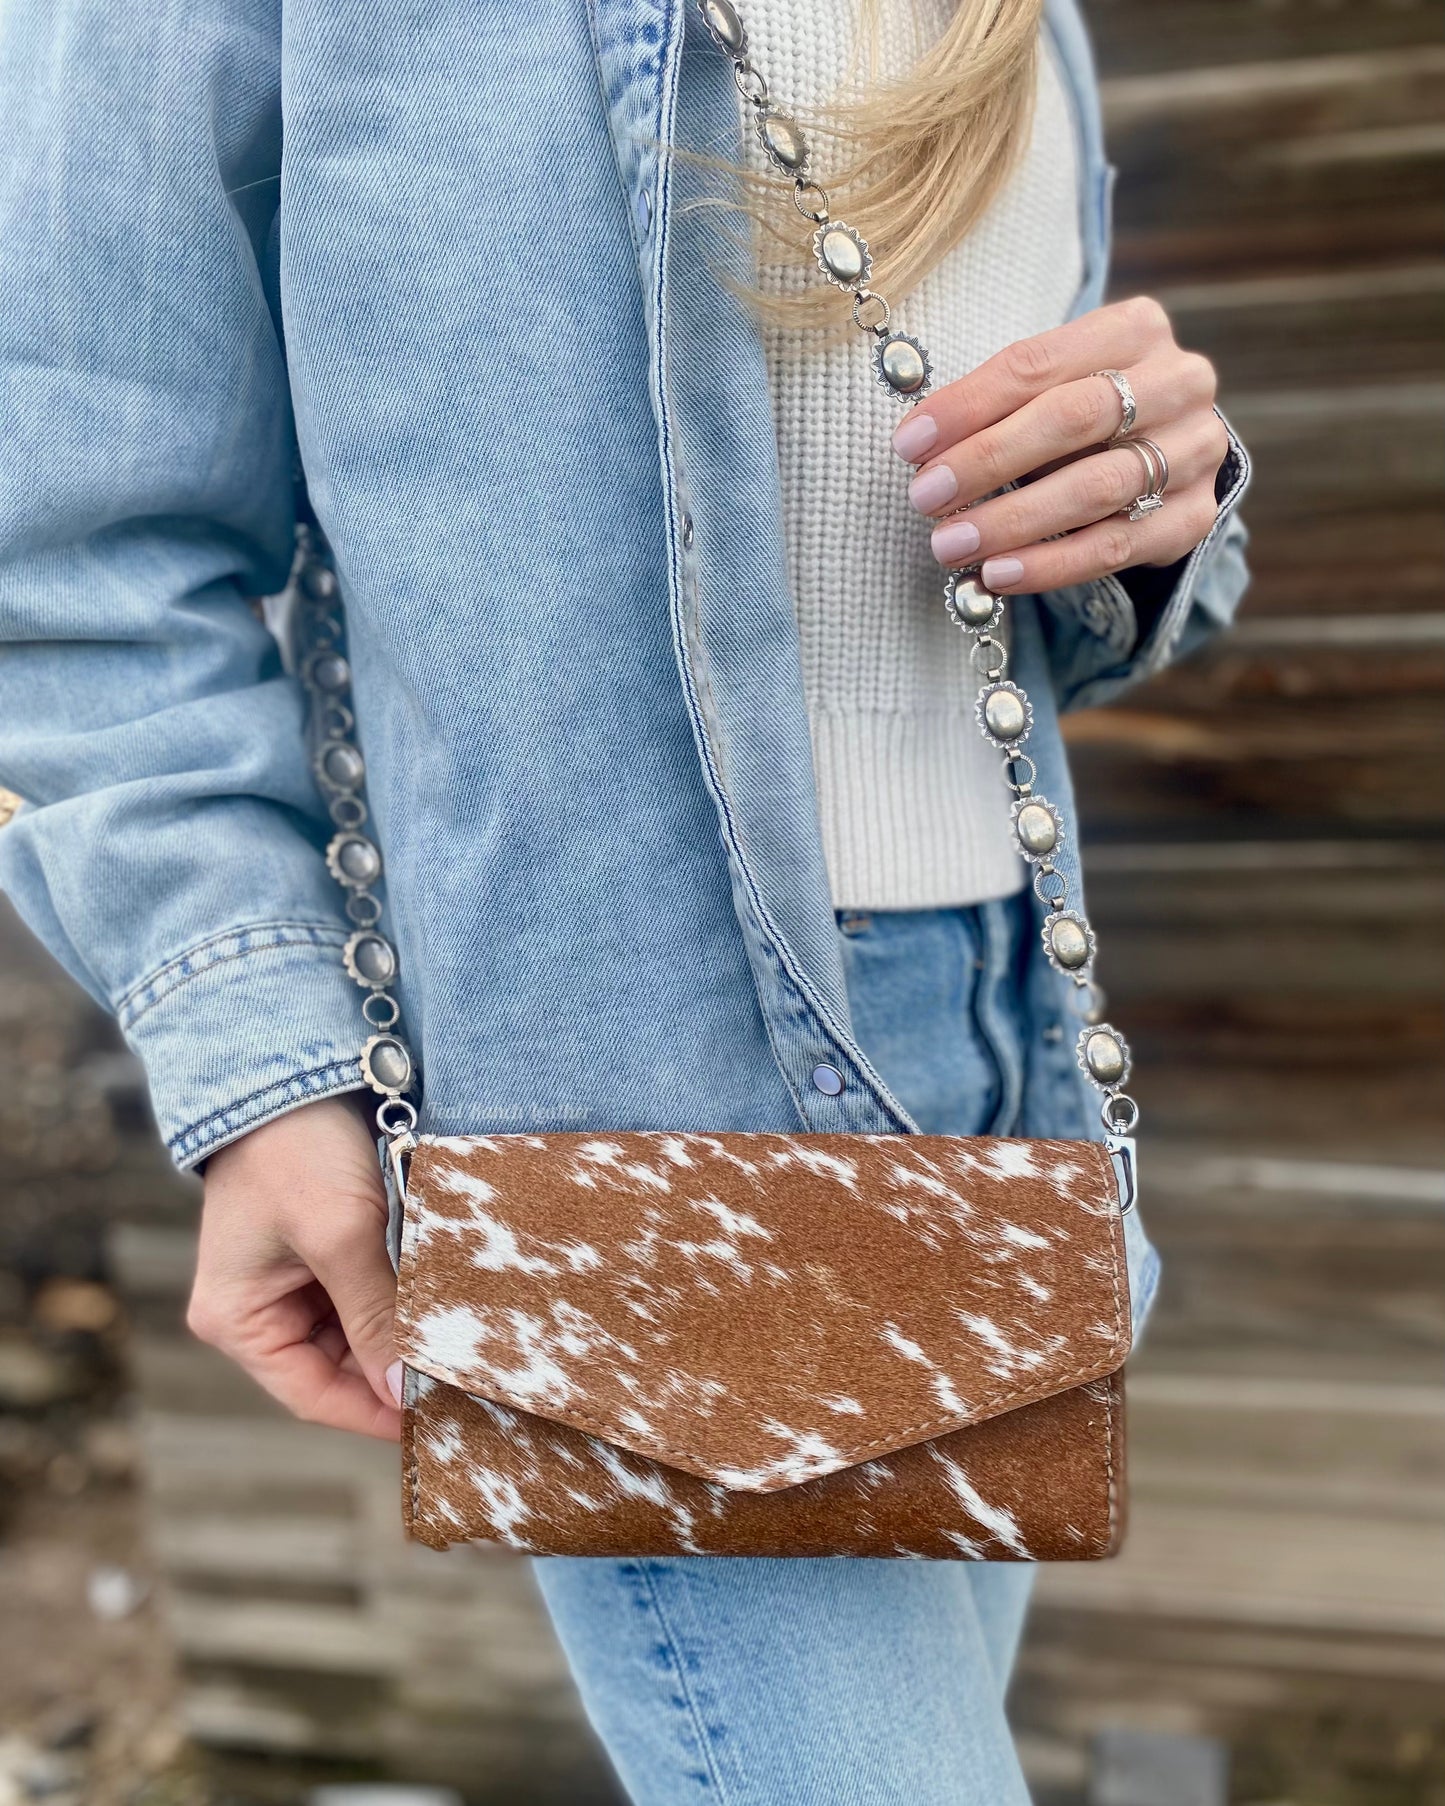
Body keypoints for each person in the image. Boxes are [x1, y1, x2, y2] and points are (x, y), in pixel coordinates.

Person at [0, 0, 1248, 1797]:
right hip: (628, 1095)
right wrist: (257, 1051)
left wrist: (1154, 491)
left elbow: (966, 576)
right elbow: (72, 535)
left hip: (1004, 1044)